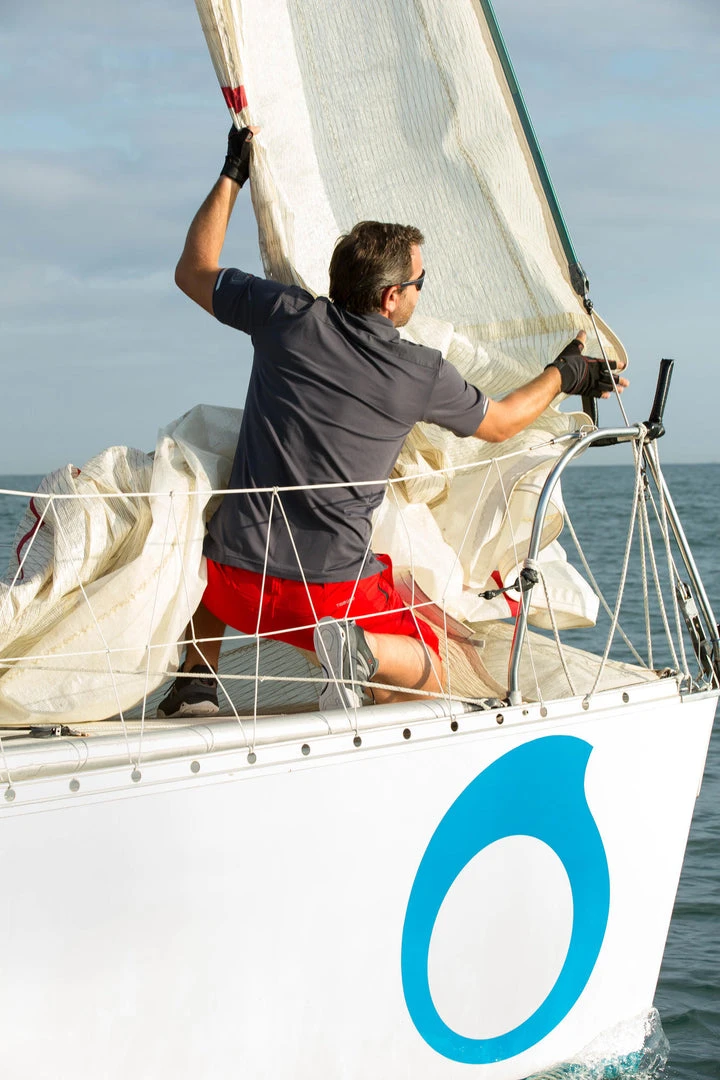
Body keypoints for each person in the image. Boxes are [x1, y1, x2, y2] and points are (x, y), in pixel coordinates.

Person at [158, 126, 627, 718]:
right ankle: (360, 653)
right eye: (419, 284)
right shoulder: (418, 372)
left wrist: (232, 171)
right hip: (326, 602)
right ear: (390, 298)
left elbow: (193, 269)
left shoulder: (284, 315)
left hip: (231, 585)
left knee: (216, 511)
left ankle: (197, 681)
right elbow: (504, 423)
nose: (421, 293)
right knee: (435, 663)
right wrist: (567, 373)